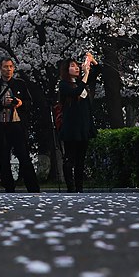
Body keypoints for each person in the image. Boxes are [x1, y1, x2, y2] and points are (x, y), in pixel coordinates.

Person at [0, 57, 40, 193]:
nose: (8, 70)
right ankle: (9, 187)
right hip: (1, 125)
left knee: (24, 156)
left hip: (17, 124)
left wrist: (20, 103)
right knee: (3, 157)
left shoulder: (20, 84)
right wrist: (1, 104)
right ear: (0, 69)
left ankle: (33, 187)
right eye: (5, 67)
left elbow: (29, 103)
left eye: (10, 67)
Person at [58, 52, 97, 193]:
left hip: (83, 126)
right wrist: (85, 75)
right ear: (66, 70)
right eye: (72, 66)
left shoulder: (82, 83)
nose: (76, 68)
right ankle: (71, 187)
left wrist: (92, 62)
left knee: (81, 159)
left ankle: (79, 187)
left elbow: (97, 73)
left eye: (77, 66)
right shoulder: (63, 85)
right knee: (70, 158)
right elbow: (76, 92)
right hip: (71, 127)